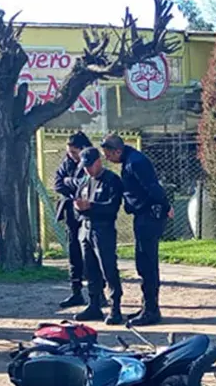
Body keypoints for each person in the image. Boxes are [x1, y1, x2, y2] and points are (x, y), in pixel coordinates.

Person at [100, 134, 172, 326]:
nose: (106, 158)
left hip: (149, 216)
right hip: (143, 215)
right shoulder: (130, 160)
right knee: (143, 262)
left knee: (147, 263)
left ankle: (151, 311)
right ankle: (147, 307)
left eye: (108, 154)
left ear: (117, 151)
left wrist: (165, 207)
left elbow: (153, 188)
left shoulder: (136, 162)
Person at [73, 148, 125, 326]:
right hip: (85, 229)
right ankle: (94, 304)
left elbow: (112, 206)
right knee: (90, 269)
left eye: (89, 166)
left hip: (103, 230)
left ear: (98, 161)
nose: (87, 170)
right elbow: (77, 200)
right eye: (84, 166)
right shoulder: (85, 180)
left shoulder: (111, 180)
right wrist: (79, 207)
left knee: (108, 268)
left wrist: (91, 206)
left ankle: (115, 307)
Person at [53, 131, 103, 309]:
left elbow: (86, 184)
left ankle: (98, 292)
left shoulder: (90, 161)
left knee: (92, 254)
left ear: (83, 149)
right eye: (69, 152)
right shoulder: (66, 163)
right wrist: (71, 185)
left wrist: (70, 182)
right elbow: (57, 183)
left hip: (88, 215)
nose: (70, 155)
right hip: (70, 214)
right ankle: (76, 292)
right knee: (74, 252)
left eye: (74, 152)